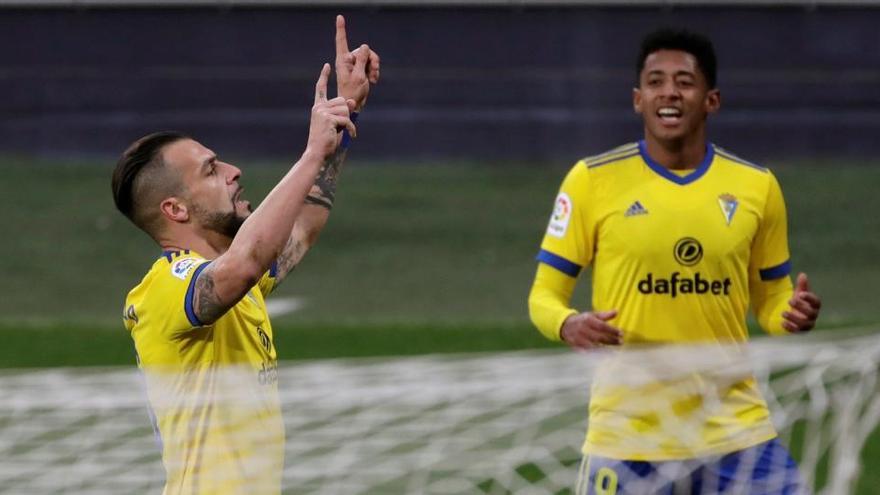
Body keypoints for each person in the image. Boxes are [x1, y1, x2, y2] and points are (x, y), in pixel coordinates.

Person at [528, 29, 821, 494]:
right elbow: (544, 295)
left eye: (684, 81)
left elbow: (771, 298)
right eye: (656, 81)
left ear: (712, 100)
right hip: (629, 437)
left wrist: (788, 314)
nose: (669, 92)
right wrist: (568, 324)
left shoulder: (757, 186)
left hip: (735, 432)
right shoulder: (592, 181)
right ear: (637, 99)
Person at [110, 16, 379, 495]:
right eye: (212, 170)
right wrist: (310, 153)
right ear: (174, 209)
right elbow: (247, 261)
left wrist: (346, 115)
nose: (233, 171)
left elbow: (302, 227)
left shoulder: (240, 285)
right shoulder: (165, 288)